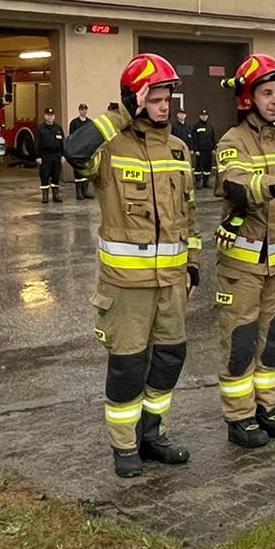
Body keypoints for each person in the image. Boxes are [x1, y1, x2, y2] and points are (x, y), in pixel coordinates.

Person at [64, 54, 201, 478]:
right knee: (127, 366)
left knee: (170, 359)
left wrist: (193, 266)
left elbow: (189, 214)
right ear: (135, 99)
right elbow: (73, 150)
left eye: (166, 99)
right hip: (126, 286)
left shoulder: (179, 148)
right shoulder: (110, 147)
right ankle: (124, 446)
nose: (163, 106)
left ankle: (152, 435)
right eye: (154, 99)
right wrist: (122, 112)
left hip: (171, 284)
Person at [213, 54, 275, 448]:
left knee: (273, 339)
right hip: (242, 264)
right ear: (248, 98)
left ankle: (265, 409)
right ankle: (239, 418)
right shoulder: (231, 142)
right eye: (267, 93)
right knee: (240, 342)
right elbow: (238, 185)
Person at [36, 107, 64, 204]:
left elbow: (62, 143)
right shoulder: (40, 128)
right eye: (48, 115)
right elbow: (37, 143)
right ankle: (45, 196)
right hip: (45, 155)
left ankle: (56, 195)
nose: (50, 117)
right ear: (44, 116)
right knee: (45, 175)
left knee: (56, 175)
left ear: (54, 116)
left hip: (56, 155)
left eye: (52, 115)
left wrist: (63, 155)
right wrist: (38, 156)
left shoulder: (58, 128)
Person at [69, 103, 93, 199]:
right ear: (79, 110)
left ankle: (85, 191)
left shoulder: (90, 122)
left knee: (86, 170)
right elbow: (71, 137)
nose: (84, 111)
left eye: (85, 109)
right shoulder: (74, 123)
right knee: (78, 171)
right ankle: (78, 191)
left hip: (87, 150)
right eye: (82, 109)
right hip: (78, 150)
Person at [191, 109, 216, 188]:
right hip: (200, 150)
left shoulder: (210, 126)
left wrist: (213, 148)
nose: (204, 117)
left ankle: (206, 182)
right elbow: (194, 139)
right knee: (199, 166)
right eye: (202, 116)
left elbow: (213, 138)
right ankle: (198, 182)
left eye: (205, 116)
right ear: (200, 116)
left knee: (207, 166)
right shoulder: (196, 126)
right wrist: (196, 150)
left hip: (208, 150)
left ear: (207, 116)